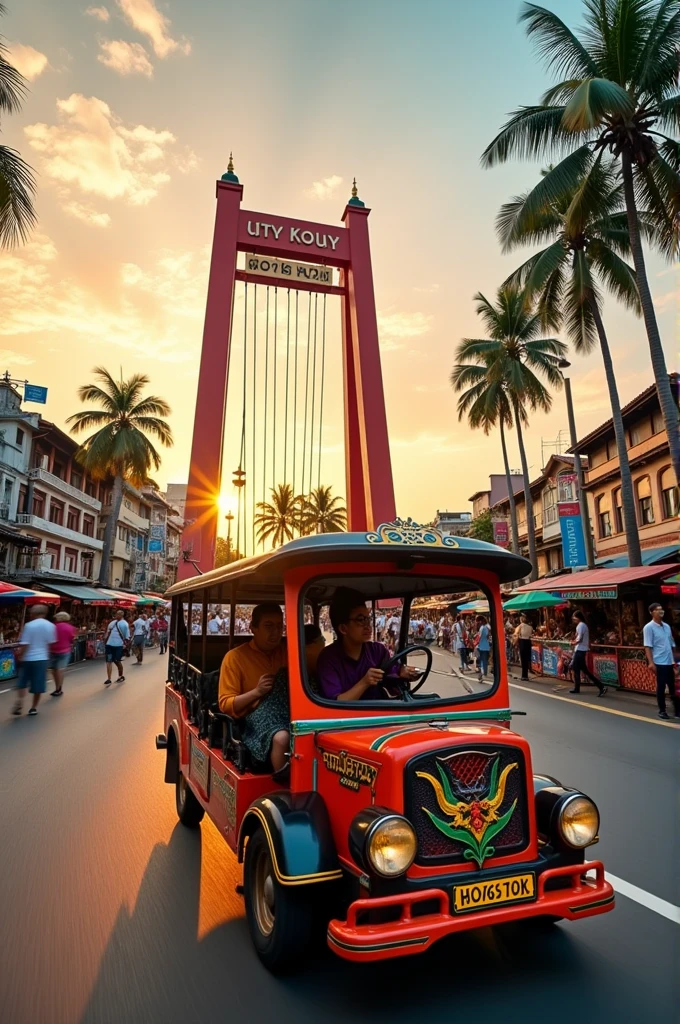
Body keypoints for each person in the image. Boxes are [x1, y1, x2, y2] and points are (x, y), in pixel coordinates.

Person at [242, 624, 325, 770]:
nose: (324, 644)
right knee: (282, 738)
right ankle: (281, 777)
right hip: (272, 714)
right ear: (308, 646)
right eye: (321, 640)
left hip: (300, 716)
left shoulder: (325, 665)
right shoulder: (290, 672)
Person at [218, 603, 288, 773]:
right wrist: (257, 692)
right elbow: (225, 704)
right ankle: (283, 782)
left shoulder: (288, 652)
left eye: (279, 626)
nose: (276, 632)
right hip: (251, 722)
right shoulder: (234, 658)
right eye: (268, 626)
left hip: (288, 713)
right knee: (282, 738)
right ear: (253, 628)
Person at [317, 588, 419, 701]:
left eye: (368, 619)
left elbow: (392, 676)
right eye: (361, 620)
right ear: (343, 628)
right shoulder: (328, 659)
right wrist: (365, 682)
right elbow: (336, 703)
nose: (368, 626)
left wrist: (403, 672)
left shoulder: (377, 651)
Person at [12, 604, 57, 716]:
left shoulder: (29, 625)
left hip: (28, 658)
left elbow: (25, 643)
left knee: (23, 682)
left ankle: (20, 701)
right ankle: (33, 707)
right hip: (42, 658)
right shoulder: (50, 626)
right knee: (38, 684)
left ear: (34, 613)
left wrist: (21, 655)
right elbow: (51, 642)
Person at [643, 602, 679, 720]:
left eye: (661, 609)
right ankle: (662, 710)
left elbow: (671, 644)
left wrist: (674, 661)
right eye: (657, 610)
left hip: (669, 661)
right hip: (659, 661)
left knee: (673, 686)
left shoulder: (666, 626)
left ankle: (677, 710)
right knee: (661, 686)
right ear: (651, 612)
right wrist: (651, 662)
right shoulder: (648, 627)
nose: (660, 611)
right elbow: (648, 646)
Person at [569, 610, 607, 697]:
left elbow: (580, 639)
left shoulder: (581, 625)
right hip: (580, 649)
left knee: (576, 668)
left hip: (580, 649)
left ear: (578, 618)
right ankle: (578, 687)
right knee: (583, 670)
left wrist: (573, 643)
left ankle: (600, 686)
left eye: (574, 618)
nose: (573, 620)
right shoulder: (580, 626)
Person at [50, 611, 76, 696]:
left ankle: (57, 687)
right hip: (64, 650)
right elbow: (72, 639)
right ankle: (59, 688)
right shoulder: (70, 628)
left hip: (53, 650)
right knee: (60, 670)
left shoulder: (52, 627)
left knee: (54, 670)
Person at [104, 608, 129, 685]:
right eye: (116, 614)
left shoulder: (124, 624)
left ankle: (120, 675)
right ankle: (109, 678)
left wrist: (125, 644)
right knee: (109, 661)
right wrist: (105, 639)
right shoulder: (112, 623)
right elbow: (107, 632)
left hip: (118, 645)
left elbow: (126, 635)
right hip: (109, 644)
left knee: (117, 660)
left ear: (122, 615)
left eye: (118, 614)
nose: (116, 615)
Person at [514, 613, 533, 680]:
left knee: (523, 659)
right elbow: (531, 635)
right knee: (527, 658)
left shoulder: (520, 626)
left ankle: (524, 675)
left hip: (522, 642)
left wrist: (515, 643)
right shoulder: (530, 627)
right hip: (528, 642)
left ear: (521, 620)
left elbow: (516, 634)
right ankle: (527, 673)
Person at [475, 614, 491, 679]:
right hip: (486, 646)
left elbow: (480, 637)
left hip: (481, 646)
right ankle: (484, 672)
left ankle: (483, 672)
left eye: (478, 621)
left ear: (481, 621)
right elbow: (488, 636)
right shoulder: (486, 627)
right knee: (484, 660)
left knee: (482, 659)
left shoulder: (482, 627)